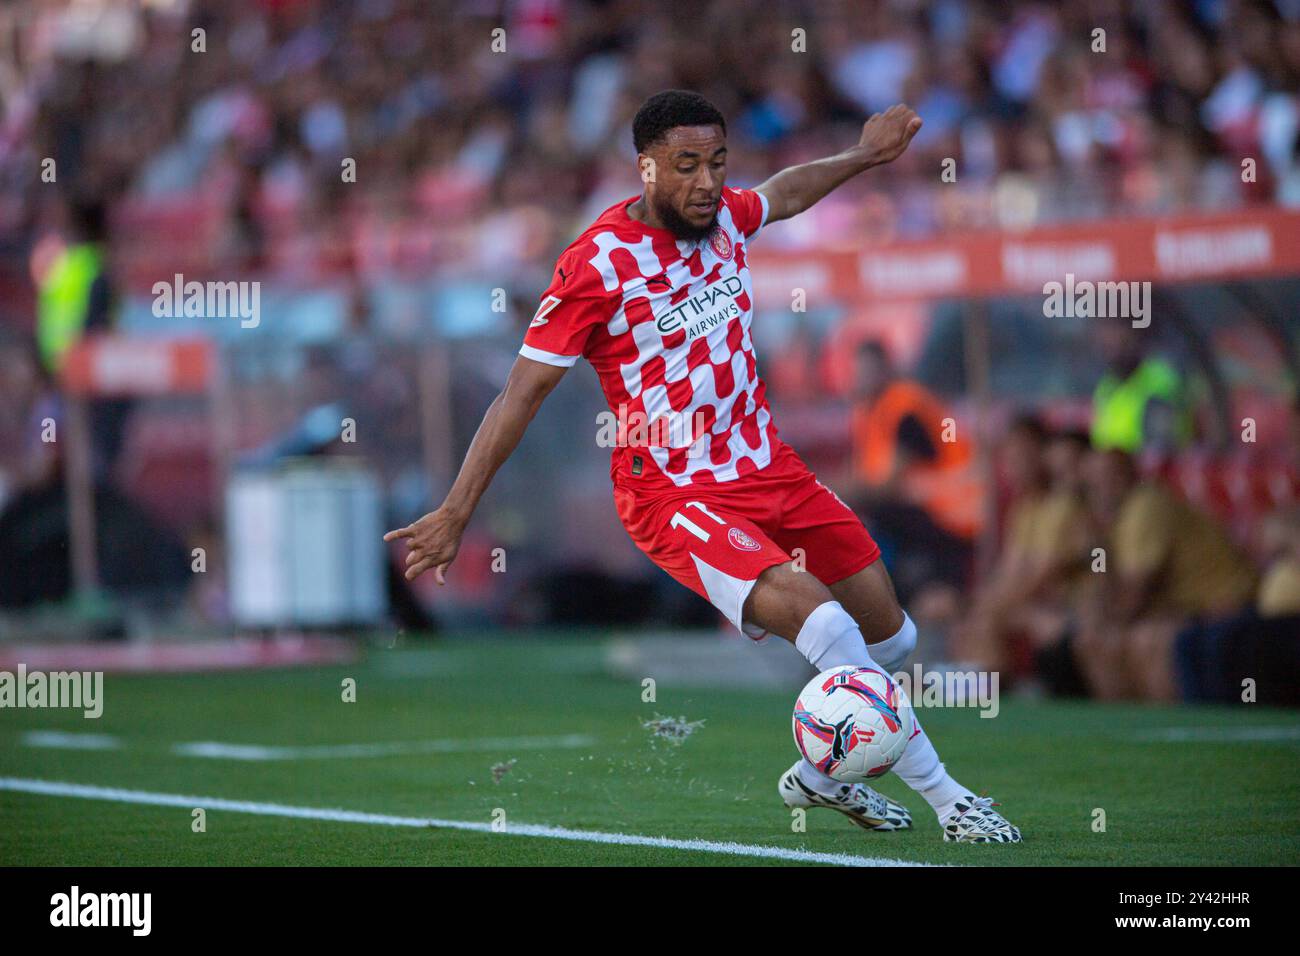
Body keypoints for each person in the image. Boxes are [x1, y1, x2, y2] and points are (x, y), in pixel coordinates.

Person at [386, 90, 1019, 843]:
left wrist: (861, 155)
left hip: (769, 469)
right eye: (686, 166)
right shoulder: (595, 264)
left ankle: (818, 778)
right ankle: (953, 805)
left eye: (717, 163)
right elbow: (518, 396)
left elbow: (780, 195)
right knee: (826, 628)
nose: (707, 182)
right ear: (645, 168)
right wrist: (458, 509)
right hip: (675, 493)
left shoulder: (723, 220)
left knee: (894, 639)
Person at [1075, 449, 1256, 700]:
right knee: (1094, 638)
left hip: (1225, 606)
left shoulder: (1146, 505)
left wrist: (1107, 615)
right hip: (1185, 608)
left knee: (1147, 639)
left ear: (1131, 474)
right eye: (1094, 481)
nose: (1103, 487)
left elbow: (1134, 597)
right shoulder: (1114, 520)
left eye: (1111, 476)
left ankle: (1169, 727)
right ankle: (1124, 729)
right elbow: (1111, 591)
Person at [848, 339, 981, 601]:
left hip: (951, 517)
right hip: (929, 514)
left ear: (886, 369)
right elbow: (863, 474)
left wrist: (822, 489)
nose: (864, 378)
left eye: (870, 370)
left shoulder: (904, 408)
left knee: (867, 519)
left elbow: (887, 484)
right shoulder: (872, 412)